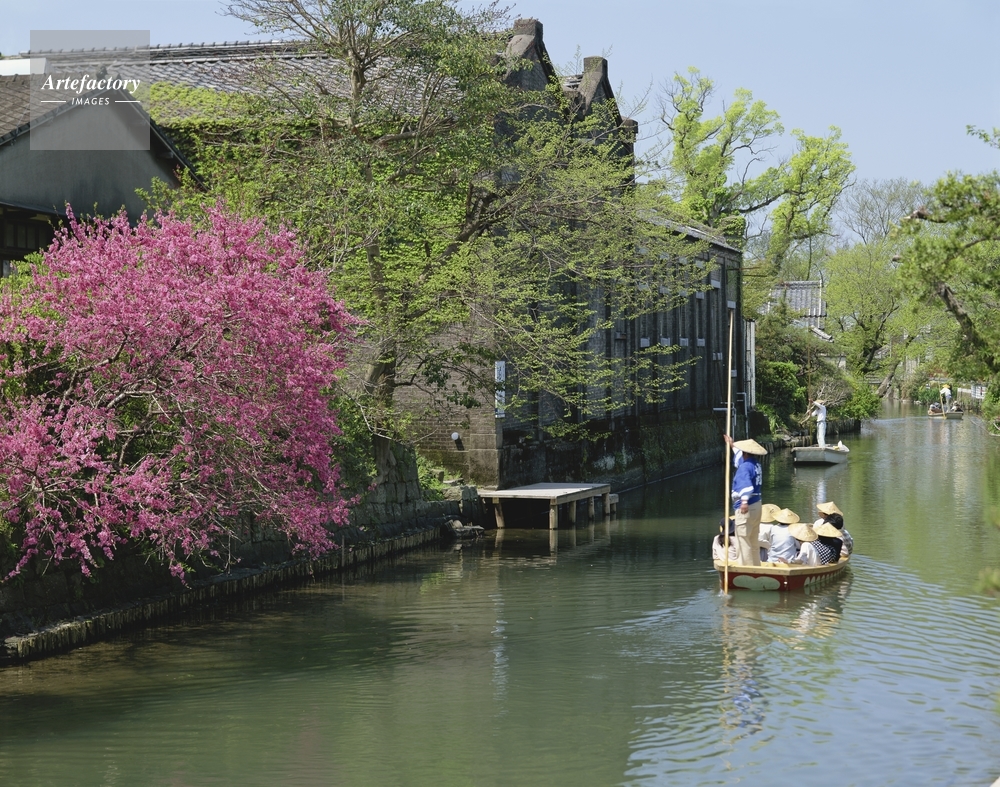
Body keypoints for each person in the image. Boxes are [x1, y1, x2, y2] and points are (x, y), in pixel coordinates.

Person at [723, 434, 768, 566]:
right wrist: (731, 444)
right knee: (753, 540)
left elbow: (746, 486)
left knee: (743, 540)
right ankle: (755, 567)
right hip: (757, 505)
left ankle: (747, 569)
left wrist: (744, 502)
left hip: (747, 505)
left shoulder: (745, 467)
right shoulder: (755, 464)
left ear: (745, 453)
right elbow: (739, 459)